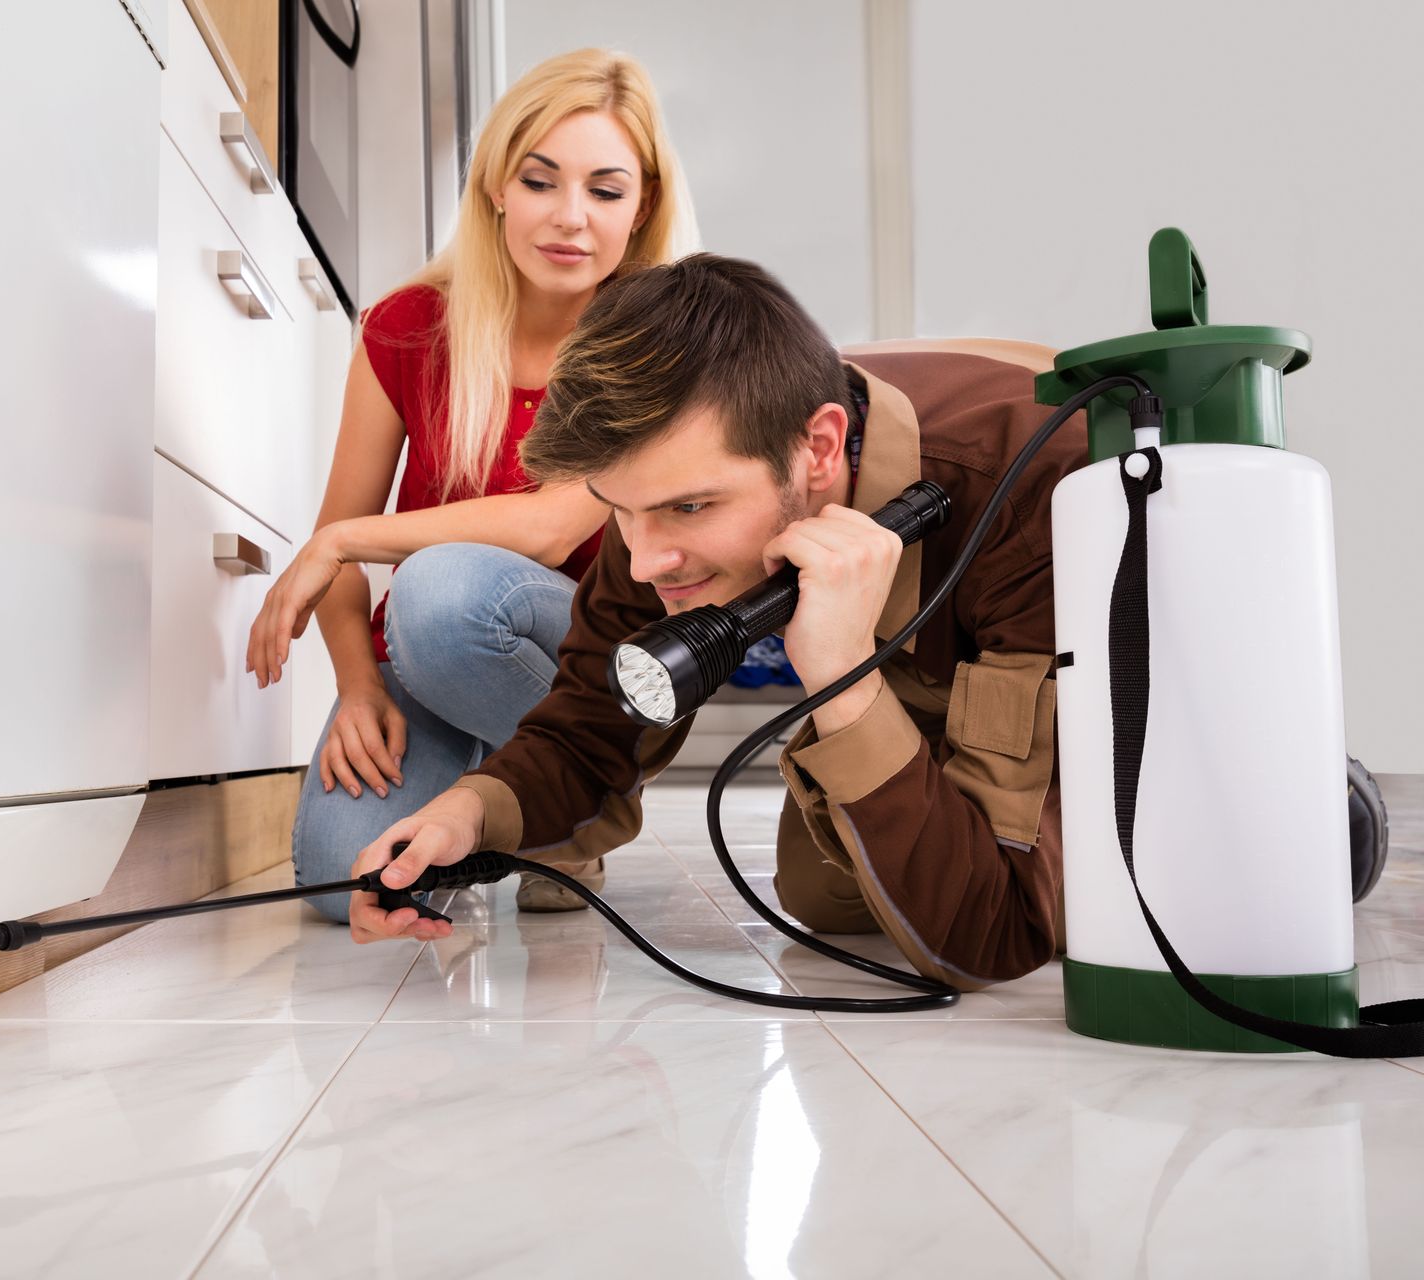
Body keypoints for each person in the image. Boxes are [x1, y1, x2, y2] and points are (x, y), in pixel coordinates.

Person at [345, 253, 1086, 992]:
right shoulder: (664, 501)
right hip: (931, 673)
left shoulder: (1034, 500)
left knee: (972, 894)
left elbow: (991, 943)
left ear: (820, 449)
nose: (643, 564)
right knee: (820, 885)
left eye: (690, 508)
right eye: (620, 508)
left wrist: (843, 680)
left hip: (1099, 682)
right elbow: (586, 735)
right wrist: (466, 815)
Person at [244, 50, 696, 922]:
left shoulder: (656, 337)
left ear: (640, 210)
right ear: (496, 185)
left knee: (441, 587)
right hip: (430, 653)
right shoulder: (407, 327)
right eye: (540, 181)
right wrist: (359, 689)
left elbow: (549, 530)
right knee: (351, 883)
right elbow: (341, 539)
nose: (571, 219)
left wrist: (337, 542)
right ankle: (522, 809)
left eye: (605, 191)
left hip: (600, 665)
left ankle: (575, 802)